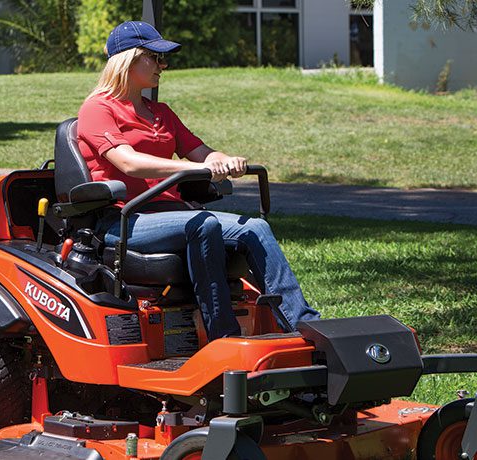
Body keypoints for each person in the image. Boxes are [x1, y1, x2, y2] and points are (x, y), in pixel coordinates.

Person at [76, 21, 320, 340]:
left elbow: (202, 153)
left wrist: (224, 160)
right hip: (124, 219)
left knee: (256, 228)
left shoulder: (161, 113)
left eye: (163, 59)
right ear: (129, 59)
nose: (164, 65)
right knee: (202, 224)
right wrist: (188, 170)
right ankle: (224, 337)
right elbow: (127, 161)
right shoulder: (97, 108)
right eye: (155, 57)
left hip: (170, 213)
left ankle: (305, 325)